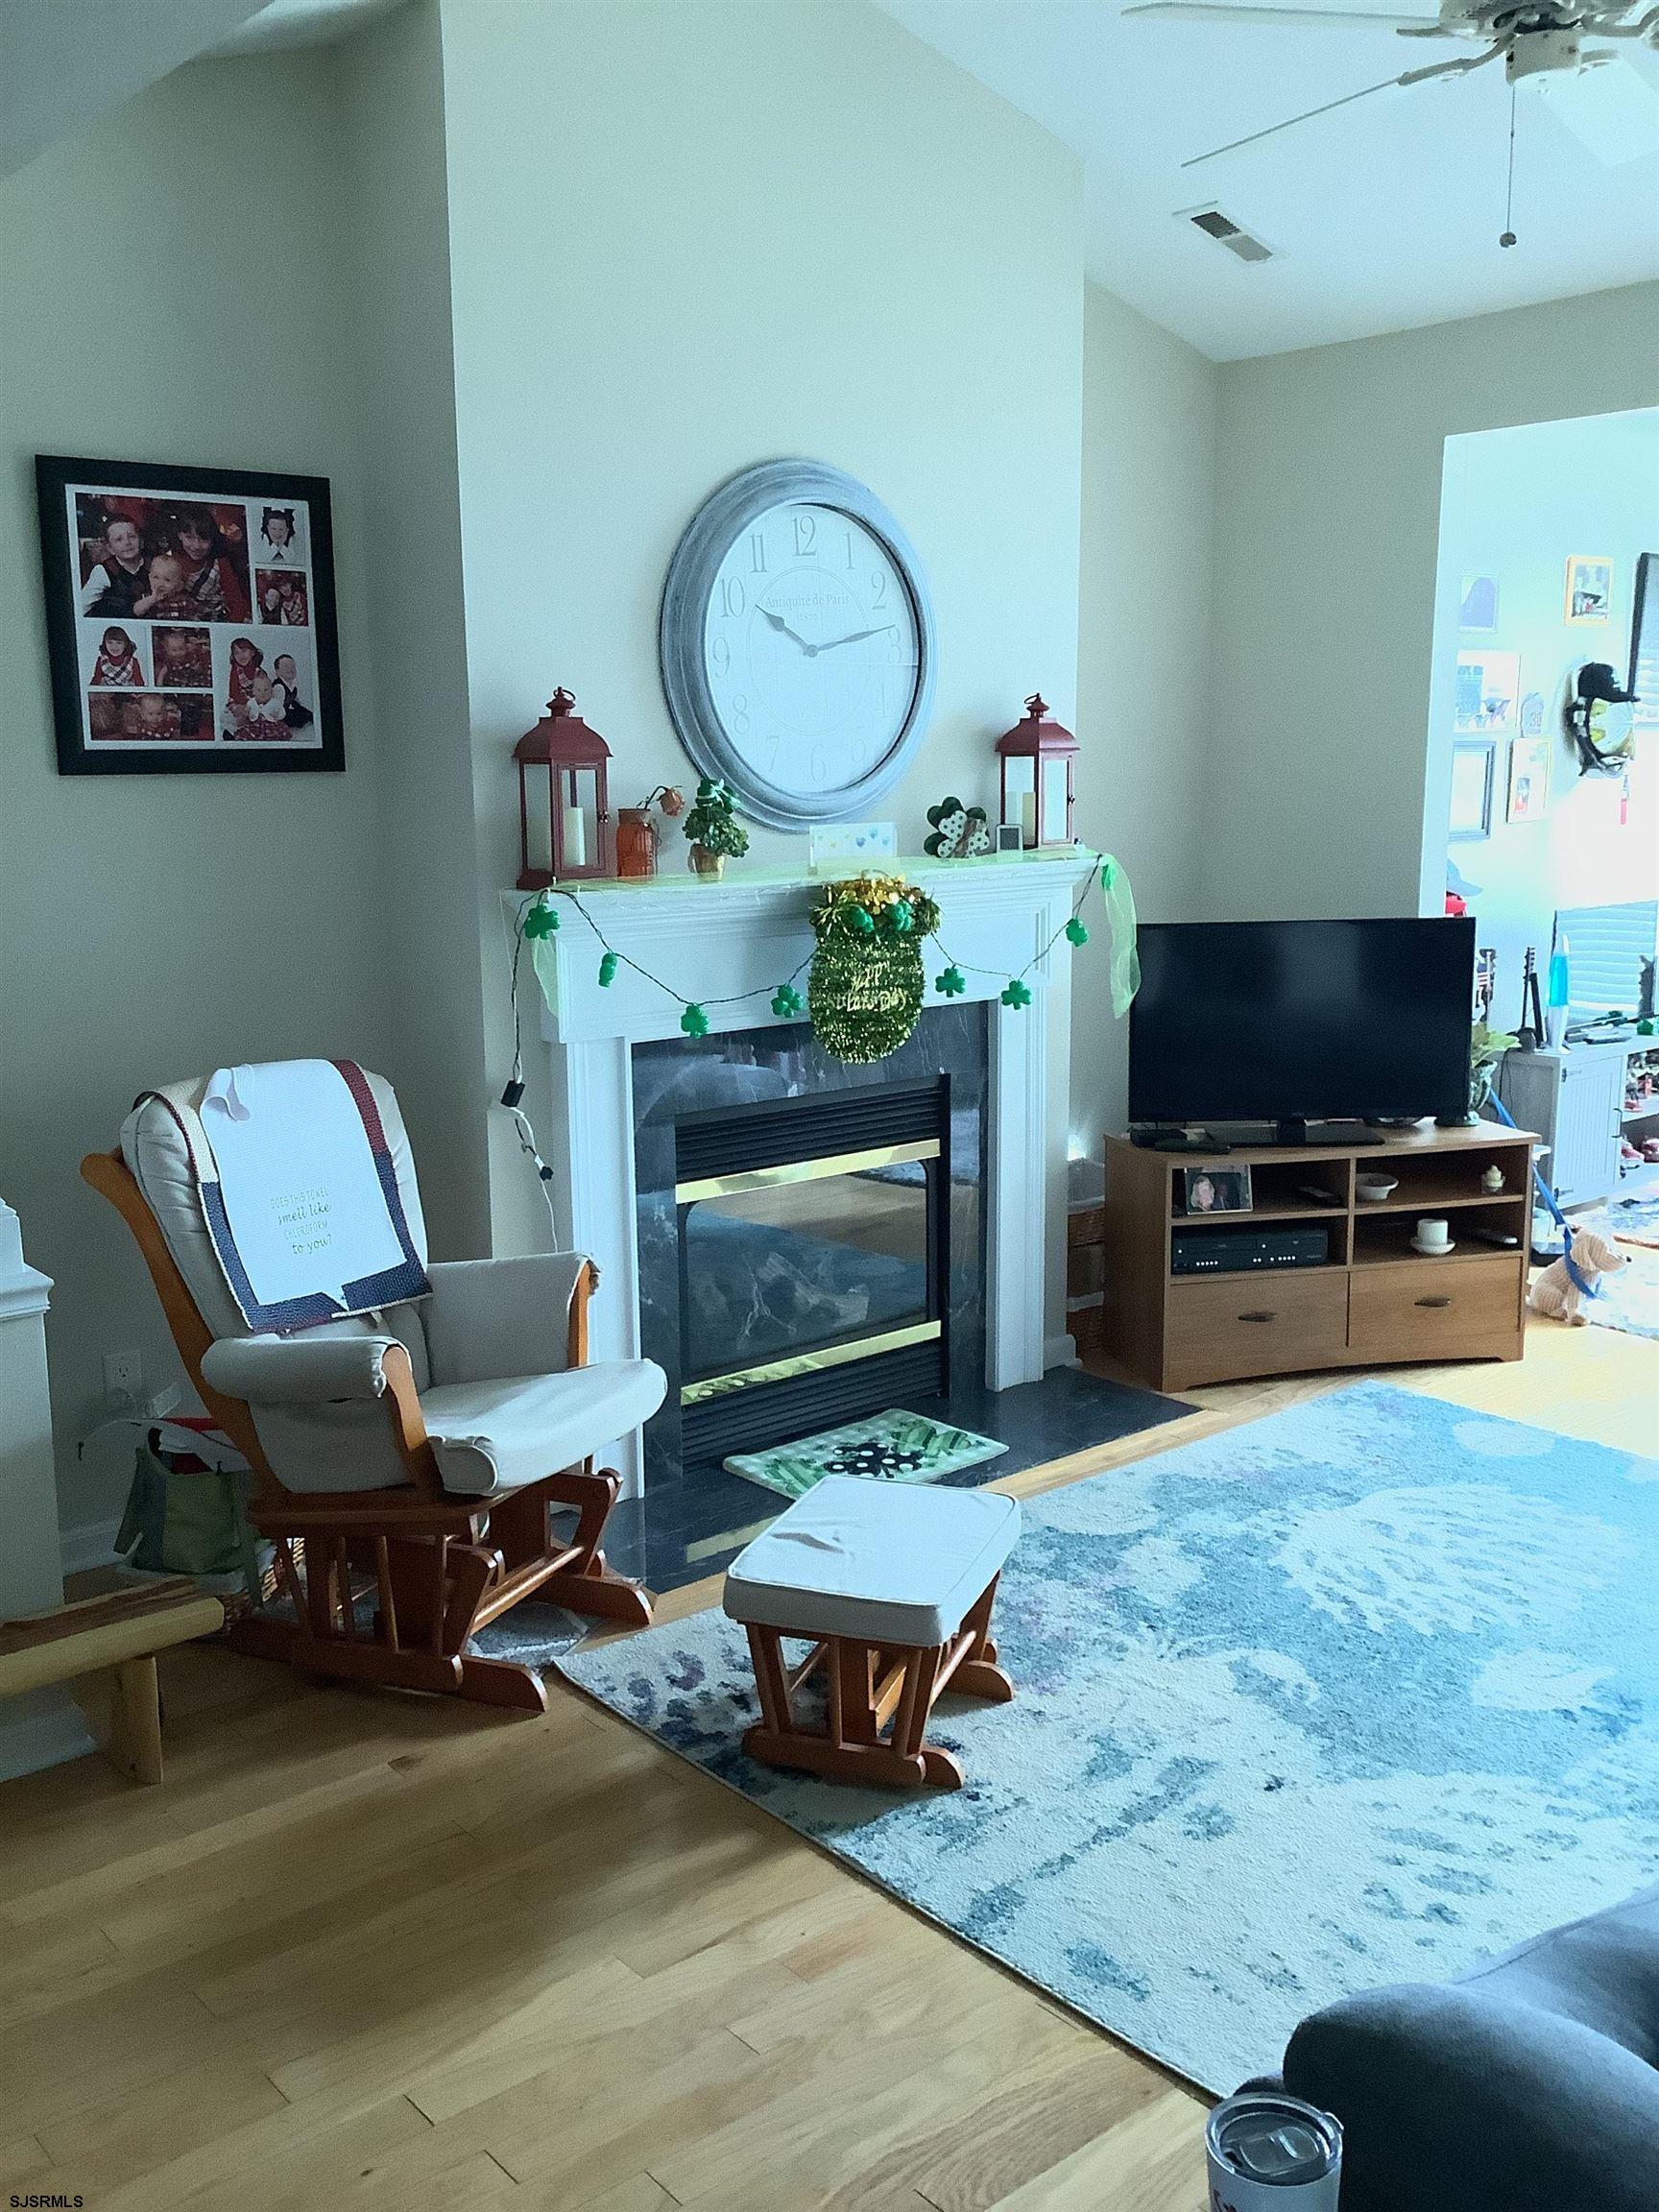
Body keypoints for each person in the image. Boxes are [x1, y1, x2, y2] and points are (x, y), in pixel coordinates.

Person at [172, 509, 239, 622]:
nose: (196, 546)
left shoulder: (220, 564)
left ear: (212, 539)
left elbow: (236, 601)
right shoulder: (170, 560)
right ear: (180, 535)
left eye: (203, 539)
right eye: (189, 537)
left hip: (212, 622)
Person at [80, 517, 150, 617]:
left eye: (131, 536)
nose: (127, 543)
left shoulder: (154, 565)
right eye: (119, 539)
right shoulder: (103, 571)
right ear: (110, 548)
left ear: (141, 541)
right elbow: (82, 607)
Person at [134, 553, 195, 620]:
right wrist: (152, 598)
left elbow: (201, 616)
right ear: (149, 578)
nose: (160, 583)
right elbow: (137, 611)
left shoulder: (185, 600)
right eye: (156, 577)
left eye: (167, 580)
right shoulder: (147, 597)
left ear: (179, 586)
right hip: (154, 630)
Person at [273, 651, 314, 731]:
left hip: (286, 709)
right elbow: (278, 708)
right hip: (281, 713)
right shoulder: (279, 687)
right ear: (277, 672)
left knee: (308, 714)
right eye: (286, 666)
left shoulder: (292, 686)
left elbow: (294, 702)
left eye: (292, 666)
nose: (290, 669)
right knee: (299, 719)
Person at [244, 668, 288, 735]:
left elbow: (282, 712)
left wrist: (278, 715)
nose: (262, 693)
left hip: (271, 726)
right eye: (259, 690)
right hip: (255, 726)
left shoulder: (274, 702)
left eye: (266, 690)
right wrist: (247, 713)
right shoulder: (251, 702)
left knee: (276, 732)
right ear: (253, 691)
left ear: (271, 691)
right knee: (247, 731)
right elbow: (250, 715)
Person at [226, 636, 264, 709]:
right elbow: (233, 692)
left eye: (244, 651)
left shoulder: (259, 671)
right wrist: (245, 702)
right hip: (239, 701)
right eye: (236, 653)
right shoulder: (236, 671)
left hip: (256, 702)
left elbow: (265, 688)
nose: (241, 655)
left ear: (252, 653)